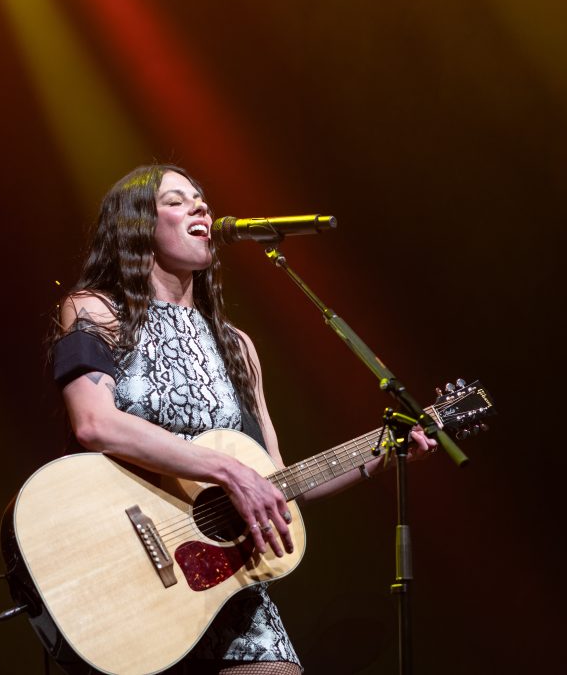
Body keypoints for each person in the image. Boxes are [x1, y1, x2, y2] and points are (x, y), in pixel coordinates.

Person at [51, 164, 437, 674]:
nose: (200, 207)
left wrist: (385, 451)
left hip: (229, 594)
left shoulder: (237, 346)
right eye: (176, 200)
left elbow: (276, 478)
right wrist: (228, 470)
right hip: (132, 576)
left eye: (200, 198)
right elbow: (94, 424)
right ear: (136, 225)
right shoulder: (95, 311)